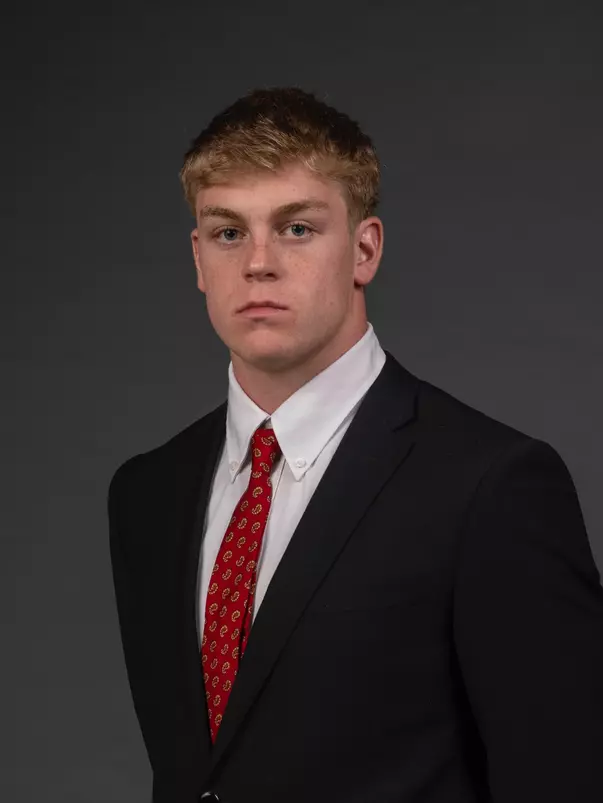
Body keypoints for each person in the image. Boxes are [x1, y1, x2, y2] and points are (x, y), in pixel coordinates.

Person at [107, 86, 603, 803]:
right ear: (197, 259)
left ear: (363, 248)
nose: (258, 263)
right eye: (227, 232)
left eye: (297, 228)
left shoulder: (490, 485)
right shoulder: (148, 492)